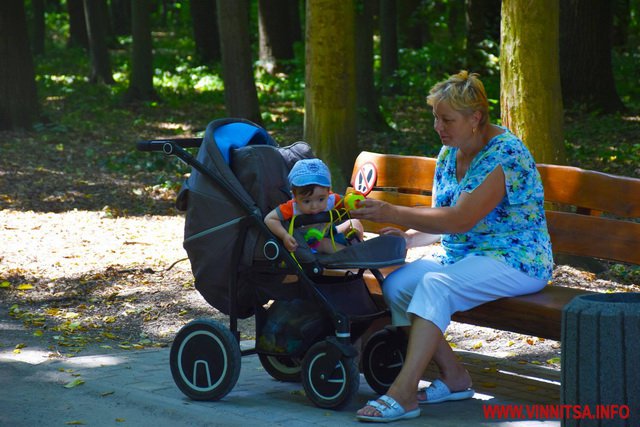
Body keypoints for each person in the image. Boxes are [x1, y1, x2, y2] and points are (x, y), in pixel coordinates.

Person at [350, 70, 553, 423]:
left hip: (515, 259)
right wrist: (410, 238)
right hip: (462, 255)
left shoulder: (505, 155)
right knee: (397, 286)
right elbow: (445, 218)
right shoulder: (450, 151)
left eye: (447, 119)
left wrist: (389, 210)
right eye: (435, 118)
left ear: (475, 118)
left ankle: (404, 392)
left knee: (434, 285)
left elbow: (460, 219)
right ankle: (455, 377)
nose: (439, 127)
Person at [264, 158, 363, 254]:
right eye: (307, 201)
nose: (314, 206)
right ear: (294, 196)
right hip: (309, 242)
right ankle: (352, 255)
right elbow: (270, 219)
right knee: (325, 243)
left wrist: (355, 202)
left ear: (328, 191)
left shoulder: (332, 199)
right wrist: (284, 235)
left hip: (328, 231)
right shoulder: (292, 207)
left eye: (321, 199)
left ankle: (355, 243)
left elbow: (347, 203)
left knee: (355, 223)